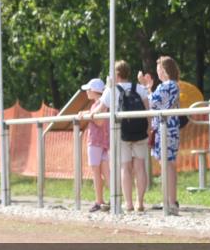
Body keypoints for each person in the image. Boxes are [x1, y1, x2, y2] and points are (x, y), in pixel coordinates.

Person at [95, 61, 150, 212]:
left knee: (125, 167)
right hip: (140, 132)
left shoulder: (111, 91)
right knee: (140, 166)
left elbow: (99, 110)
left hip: (121, 133)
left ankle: (129, 203)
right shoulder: (140, 88)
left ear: (117, 75)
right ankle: (140, 202)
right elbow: (148, 111)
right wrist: (149, 129)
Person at [149, 56, 182, 215]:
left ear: (164, 70)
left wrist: (144, 88)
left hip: (165, 128)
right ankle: (170, 199)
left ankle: (169, 202)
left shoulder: (167, 85)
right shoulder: (174, 85)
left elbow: (151, 102)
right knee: (169, 164)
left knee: (166, 164)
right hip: (171, 127)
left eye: (159, 70)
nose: (158, 73)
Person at [77, 78, 109, 213]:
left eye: (88, 90)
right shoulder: (99, 104)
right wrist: (85, 113)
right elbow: (95, 114)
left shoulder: (100, 105)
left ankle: (99, 201)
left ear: (94, 91)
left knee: (98, 172)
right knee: (105, 172)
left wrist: (87, 116)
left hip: (96, 142)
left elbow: (99, 121)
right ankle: (107, 199)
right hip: (104, 142)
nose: (87, 92)